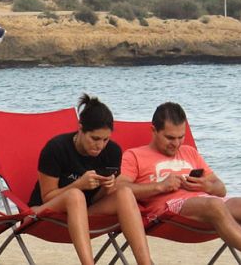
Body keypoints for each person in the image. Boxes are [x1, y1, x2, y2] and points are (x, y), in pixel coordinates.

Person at [118, 102, 241, 265]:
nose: (177, 144)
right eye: (170, 138)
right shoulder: (134, 155)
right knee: (214, 204)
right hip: (168, 211)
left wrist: (206, 186)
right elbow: (121, 189)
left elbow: (221, 188)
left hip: (206, 204)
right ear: (154, 130)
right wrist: (160, 186)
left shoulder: (189, 152)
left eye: (181, 137)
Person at [29, 94, 153, 265]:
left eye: (105, 139)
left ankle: (145, 263)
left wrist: (106, 189)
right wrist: (79, 184)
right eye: (95, 138)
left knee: (124, 192)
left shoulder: (113, 151)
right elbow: (48, 196)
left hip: (85, 212)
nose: (100, 146)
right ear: (80, 128)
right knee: (75, 195)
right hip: (45, 211)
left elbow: (95, 200)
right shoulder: (56, 148)